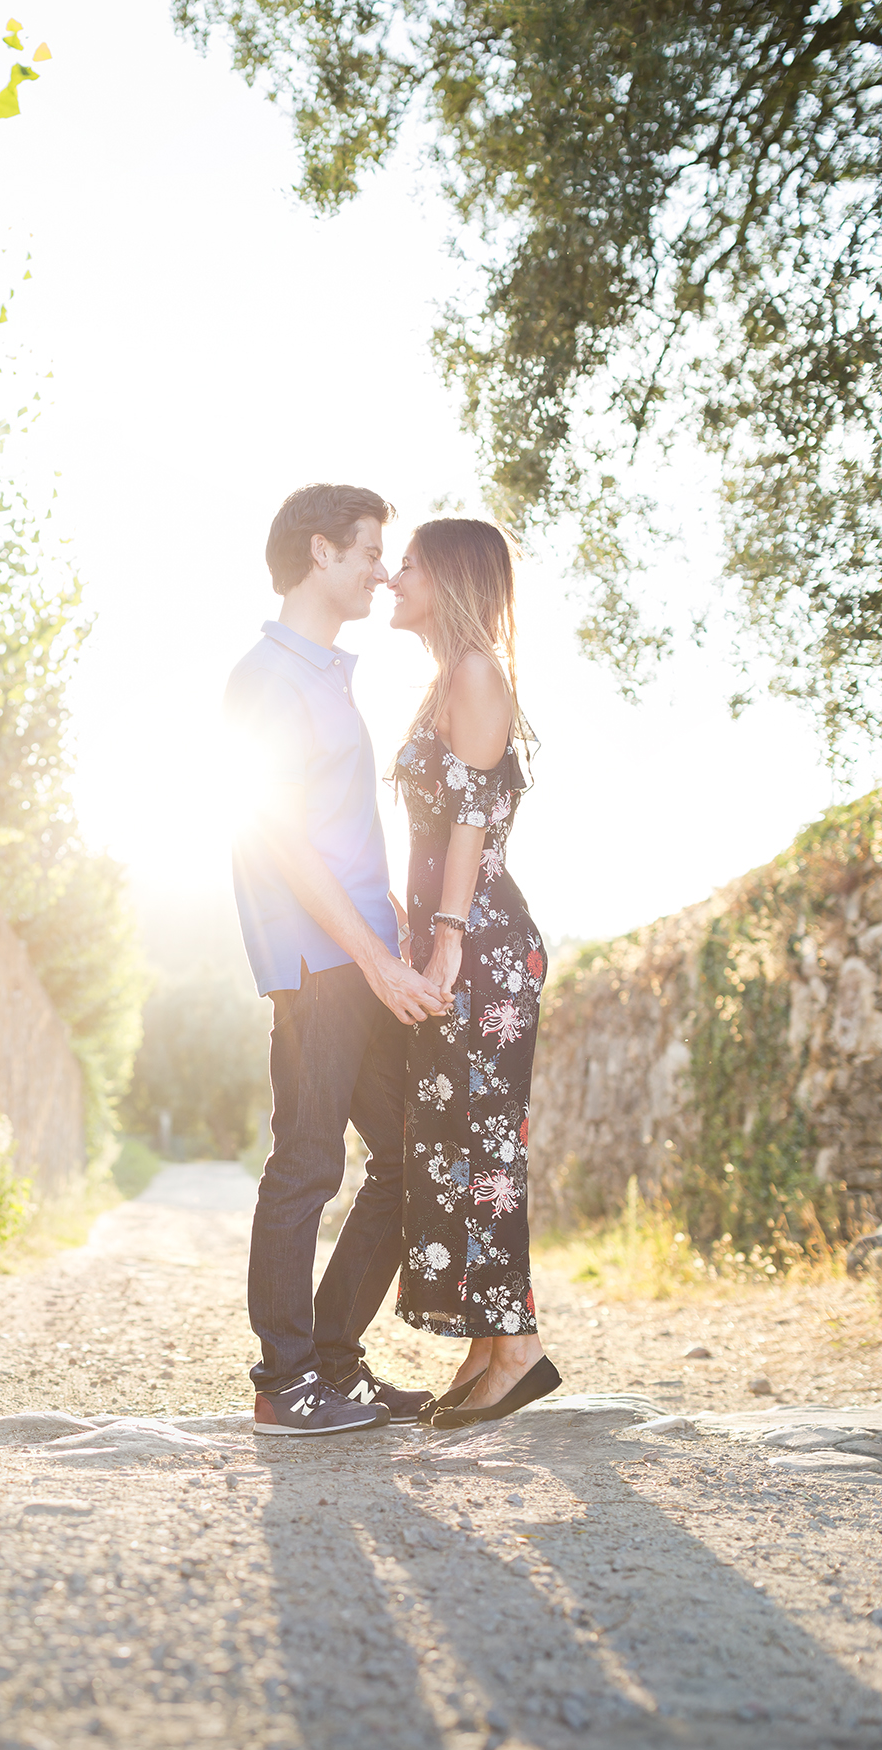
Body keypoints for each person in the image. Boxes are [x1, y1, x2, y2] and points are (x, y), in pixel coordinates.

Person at [225, 484, 450, 1437]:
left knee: (405, 1158)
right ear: (320, 554)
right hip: (321, 964)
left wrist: (391, 918)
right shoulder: (267, 679)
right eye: (368, 552)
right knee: (307, 1165)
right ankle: (285, 1382)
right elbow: (279, 836)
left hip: (360, 954)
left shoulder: (323, 674)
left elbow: (338, 828)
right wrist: (374, 955)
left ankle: (331, 1360)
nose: (381, 569)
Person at [385, 518, 561, 1425]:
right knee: (458, 1146)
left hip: (483, 945)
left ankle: (517, 1349)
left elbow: (468, 821)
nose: (391, 577)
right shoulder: (450, 677)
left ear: (447, 574)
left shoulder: (476, 671)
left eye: (407, 563)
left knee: (487, 1150)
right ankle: (489, 1346)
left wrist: (445, 935)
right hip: (460, 943)